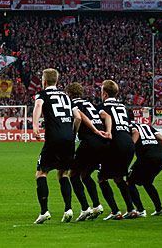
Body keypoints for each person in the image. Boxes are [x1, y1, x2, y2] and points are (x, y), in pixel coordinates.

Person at [32, 69, 79, 224]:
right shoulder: (66, 96)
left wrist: (35, 126)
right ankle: (68, 209)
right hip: (69, 139)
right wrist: (72, 133)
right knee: (64, 173)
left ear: (44, 81)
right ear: (57, 81)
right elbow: (78, 117)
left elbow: (38, 106)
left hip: (53, 138)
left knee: (41, 173)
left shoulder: (42, 94)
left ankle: (44, 211)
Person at [65, 82, 108, 221]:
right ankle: (96, 206)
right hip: (102, 142)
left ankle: (85, 209)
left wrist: (73, 133)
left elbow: (78, 117)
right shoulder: (90, 104)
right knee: (85, 174)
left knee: (73, 174)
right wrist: (107, 132)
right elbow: (106, 116)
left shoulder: (73, 104)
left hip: (89, 142)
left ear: (69, 94)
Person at [97, 80, 137, 220]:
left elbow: (103, 120)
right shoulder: (124, 108)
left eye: (101, 91)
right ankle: (131, 209)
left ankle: (115, 211)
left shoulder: (102, 106)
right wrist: (128, 144)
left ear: (105, 93)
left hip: (115, 143)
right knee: (119, 178)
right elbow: (135, 130)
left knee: (102, 178)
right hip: (128, 143)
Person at [127, 121, 162, 217]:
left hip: (146, 157)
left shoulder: (129, 127)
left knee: (129, 182)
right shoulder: (147, 126)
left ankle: (140, 210)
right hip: (160, 156)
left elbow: (135, 134)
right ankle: (159, 209)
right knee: (147, 182)